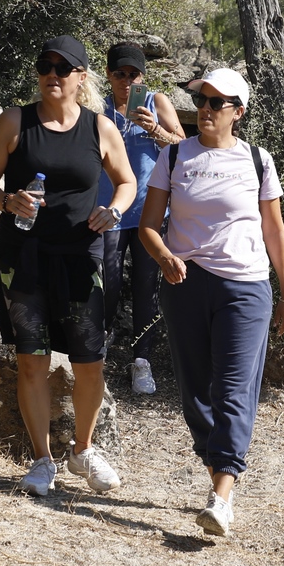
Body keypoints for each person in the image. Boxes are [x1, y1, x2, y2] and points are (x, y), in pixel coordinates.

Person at [0, 35, 136, 498]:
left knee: (90, 361)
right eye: (45, 66)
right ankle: (42, 460)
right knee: (31, 362)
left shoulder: (100, 128)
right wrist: (6, 199)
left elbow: (126, 182)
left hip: (82, 257)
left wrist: (116, 210)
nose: (52, 75)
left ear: (82, 78)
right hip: (22, 256)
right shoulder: (14, 122)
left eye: (63, 68)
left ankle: (82, 450)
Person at [136, 67, 284, 537]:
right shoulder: (175, 156)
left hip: (245, 288)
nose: (205, 110)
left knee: (233, 390)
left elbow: (273, 230)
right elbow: (148, 225)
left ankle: (221, 497)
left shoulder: (257, 160)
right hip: (185, 285)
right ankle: (220, 480)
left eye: (216, 103)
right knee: (195, 393)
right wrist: (164, 255)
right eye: (201, 101)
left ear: (238, 113)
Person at [96, 41, 185, 395]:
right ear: (109, 75)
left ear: (143, 76)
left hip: (150, 209)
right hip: (109, 209)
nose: (127, 81)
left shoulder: (156, 102)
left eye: (134, 74)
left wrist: (154, 130)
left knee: (147, 288)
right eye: (120, 74)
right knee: (107, 283)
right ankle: (97, 353)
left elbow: (181, 146)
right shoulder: (96, 107)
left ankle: (142, 362)